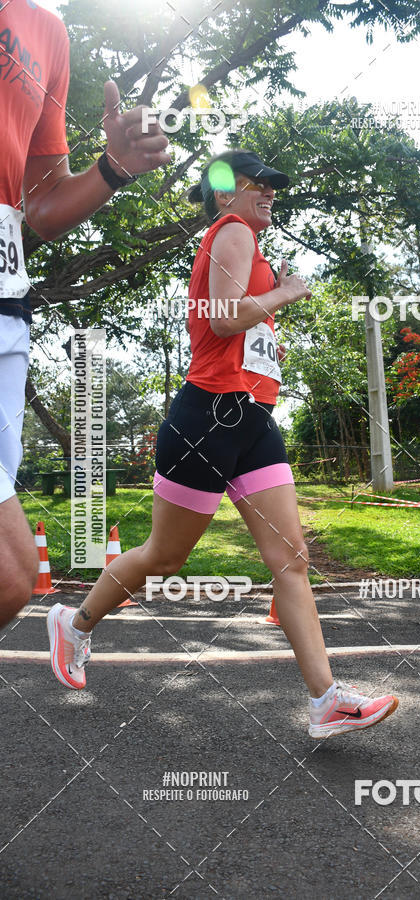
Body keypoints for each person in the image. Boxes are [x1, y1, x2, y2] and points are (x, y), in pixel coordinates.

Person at [47, 148, 399, 738]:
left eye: (271, 185)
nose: (268, 192)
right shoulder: (231, 230)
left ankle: (327, 700)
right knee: (165, 556)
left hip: (253, 420)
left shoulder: (249, 245)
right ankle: (74, 623)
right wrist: (285, 295)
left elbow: (238, 326)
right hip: (208, 417)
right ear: (223, 191)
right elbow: (222, 318)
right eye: (255, 182)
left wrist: (268, 343)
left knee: (291, 559)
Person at [0, 0, 170, 628]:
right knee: (12, 572)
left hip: (8, 320)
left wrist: (113, 169)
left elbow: (40, 202)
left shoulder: (45, 30)